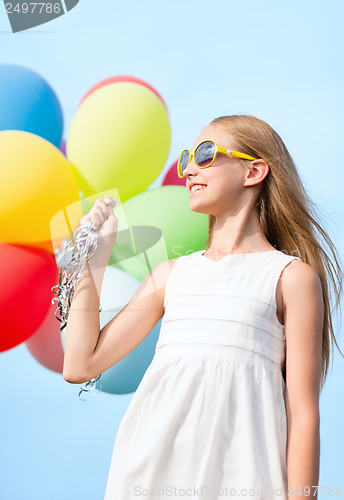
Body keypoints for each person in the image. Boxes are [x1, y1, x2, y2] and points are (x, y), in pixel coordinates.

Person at [63, 114, 343, 500]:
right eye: (186, 159)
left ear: (254, 171)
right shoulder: (170, 275)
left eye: (206, 154)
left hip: (246, 476)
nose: (189, 168)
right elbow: (79, 365)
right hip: (149, 474)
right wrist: (94, 259)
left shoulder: (290, 278)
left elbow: (303, 415)